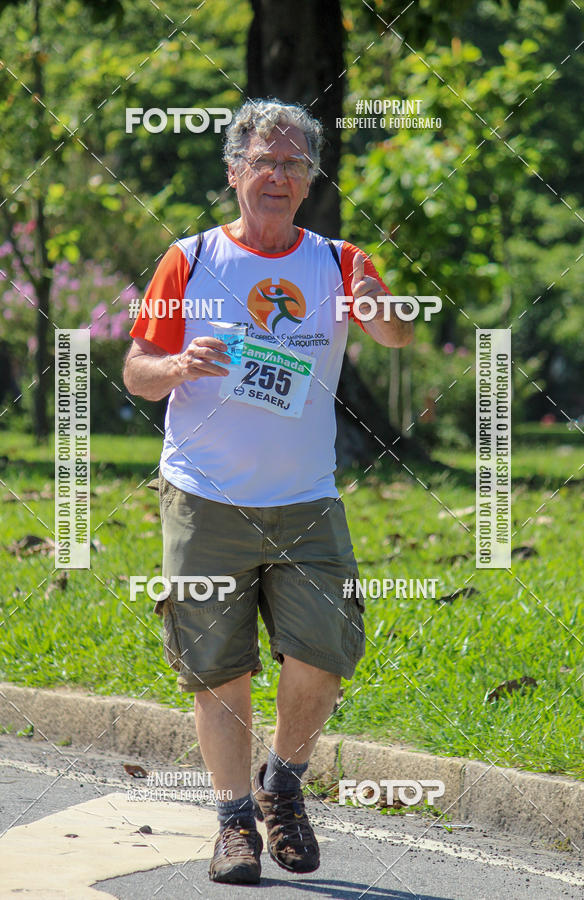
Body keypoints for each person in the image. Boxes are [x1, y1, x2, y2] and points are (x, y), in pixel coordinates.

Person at [123, 98, 413, 885]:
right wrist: (178, 365)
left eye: (293, 163)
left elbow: (397, 333)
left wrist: (380, 307)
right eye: (263, 161)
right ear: (234, 173)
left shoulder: (339, 261)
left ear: (310, 180)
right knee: (218, 670)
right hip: (204, 498)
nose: (278, 175)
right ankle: (232, 823)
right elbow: (137, 371)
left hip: (306, 500)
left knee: (324, 652)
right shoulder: (189, 259)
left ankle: (281, 783)